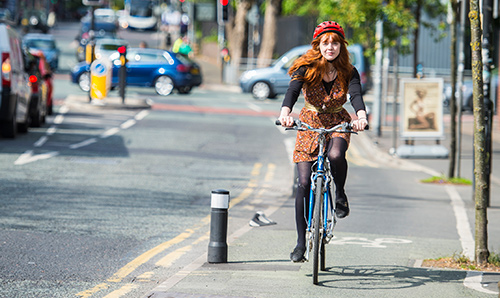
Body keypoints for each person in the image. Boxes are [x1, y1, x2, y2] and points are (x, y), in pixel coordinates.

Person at [278, 21, 369, 262]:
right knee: (304, 183)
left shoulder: (349, 70)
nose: (330, 47)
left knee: (336, 155)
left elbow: (356, 95)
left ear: (342, 46)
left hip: (338, 121)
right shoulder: (306, 67)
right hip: (309, 121)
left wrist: (361, 116)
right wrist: (285, 113)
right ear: (318, 44)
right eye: (326, 42)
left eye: (335, 42)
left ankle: (340, 194)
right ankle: (300, 243)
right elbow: (292, 92)